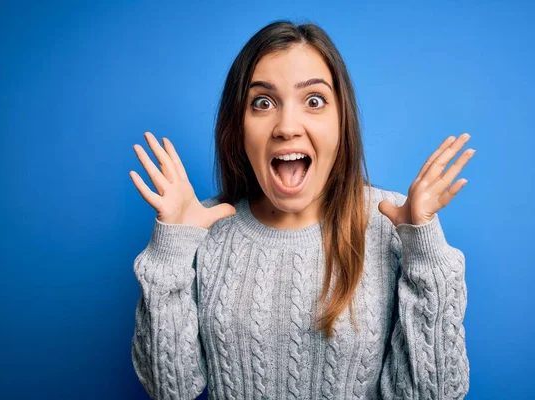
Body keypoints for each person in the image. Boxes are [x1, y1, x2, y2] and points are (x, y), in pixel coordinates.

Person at [129, 20, 473, 400]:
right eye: (263, 102)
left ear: (342, 121)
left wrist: (424, 250)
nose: (287, 126)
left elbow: (436, 394)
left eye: (314, 101)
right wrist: (170, 251)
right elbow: (169, 388)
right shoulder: (203, 227)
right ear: (238, 127)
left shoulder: (391, 222)